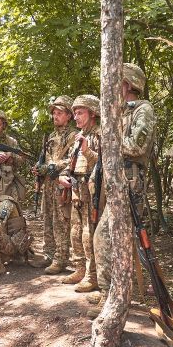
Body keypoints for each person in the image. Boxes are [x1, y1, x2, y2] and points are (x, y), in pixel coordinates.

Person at [87, 63, 156, 318]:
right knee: (107, 238)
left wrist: (109, 137)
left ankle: (111, 298)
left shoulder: (143, 109)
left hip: (130, 182)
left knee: (105, 239)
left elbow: (137, 147)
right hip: (112, 181)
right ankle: (113, 294)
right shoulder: (118, 112)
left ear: (127, 84)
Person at [57, 95, 101, 292]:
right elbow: (71, 162)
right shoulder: (79, 136)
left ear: (92, 113)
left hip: (93, 192)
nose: (76, 117)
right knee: (76, 233)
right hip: (77, 191)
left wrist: (88, 151)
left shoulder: (100, 134)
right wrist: (63, 175)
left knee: (89, 234)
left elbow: (106, 164)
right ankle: (80, 269)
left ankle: (93, 276)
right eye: (74, 113)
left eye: (80, 112)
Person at [33, 96, 78, 273]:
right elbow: (45, 160)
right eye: (54, 113)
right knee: (48, 220)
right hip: (49, 184)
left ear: (69, 115)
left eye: (59, 113)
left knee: (61, 221)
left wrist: (50, 167)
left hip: (62, 183)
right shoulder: (51, 136)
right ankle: (49, 254)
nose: (55, 116)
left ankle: (61, 258)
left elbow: (72, 160)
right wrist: (39, 169)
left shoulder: (74, 136)